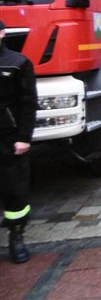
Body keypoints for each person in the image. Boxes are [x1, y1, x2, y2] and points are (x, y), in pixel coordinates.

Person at [0, 19, 37, 263]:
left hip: (9, 137)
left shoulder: (18, 62)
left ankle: (16, 237)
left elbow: (28, 102)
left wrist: (24, 138)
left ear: (2, 33)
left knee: (14, 190)